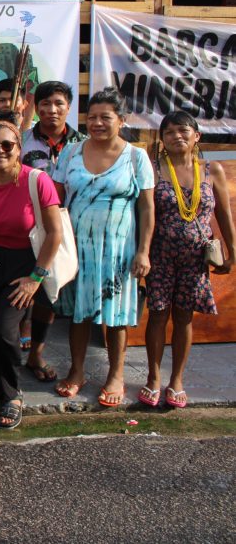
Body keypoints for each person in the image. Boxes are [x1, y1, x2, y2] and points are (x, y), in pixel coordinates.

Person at [53, 88, 154, 407]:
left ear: (121, 120)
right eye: (91, 117)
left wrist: (143, 251)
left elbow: (147, 209)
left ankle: (116, 375)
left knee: (117, 316)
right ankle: (77, 370)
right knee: (78, 314)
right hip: (77, 248)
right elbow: (54, 197)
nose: (97, 123)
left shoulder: (136, 157)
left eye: (105, 117)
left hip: (119, 251)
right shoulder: (70, 152)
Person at [0, 119, 62, 429]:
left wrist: (36, 278)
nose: (0, 150)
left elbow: (55, 233)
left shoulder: (37, 180)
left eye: (8, 145)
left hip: (25, 264)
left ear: (19, 148)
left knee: (3, 331)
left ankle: (12, 395)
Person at [142, 110, 235, 408]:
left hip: (195, 259)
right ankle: (153, 378)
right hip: (160, 256)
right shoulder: (154, 169)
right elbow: (144, 214)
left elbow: (224, 215)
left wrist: (232, 252)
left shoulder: (211, 170)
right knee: (157, 315)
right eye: (169, 132)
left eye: (183, 130)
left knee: (184, 316)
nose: (176, 136)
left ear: (197, 136)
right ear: (162, 139)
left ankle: (177, 379)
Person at [19, 80, 86, 377]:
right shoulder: (21, 140)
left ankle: (36, 354)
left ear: (68, 107)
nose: (51, 110)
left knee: (49, 293)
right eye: (45, 103)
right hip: (25, 227)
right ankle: (6, 357)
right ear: (37, 107)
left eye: (58, 103)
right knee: (19, 290)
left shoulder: (82, 144)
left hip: (66, 229)